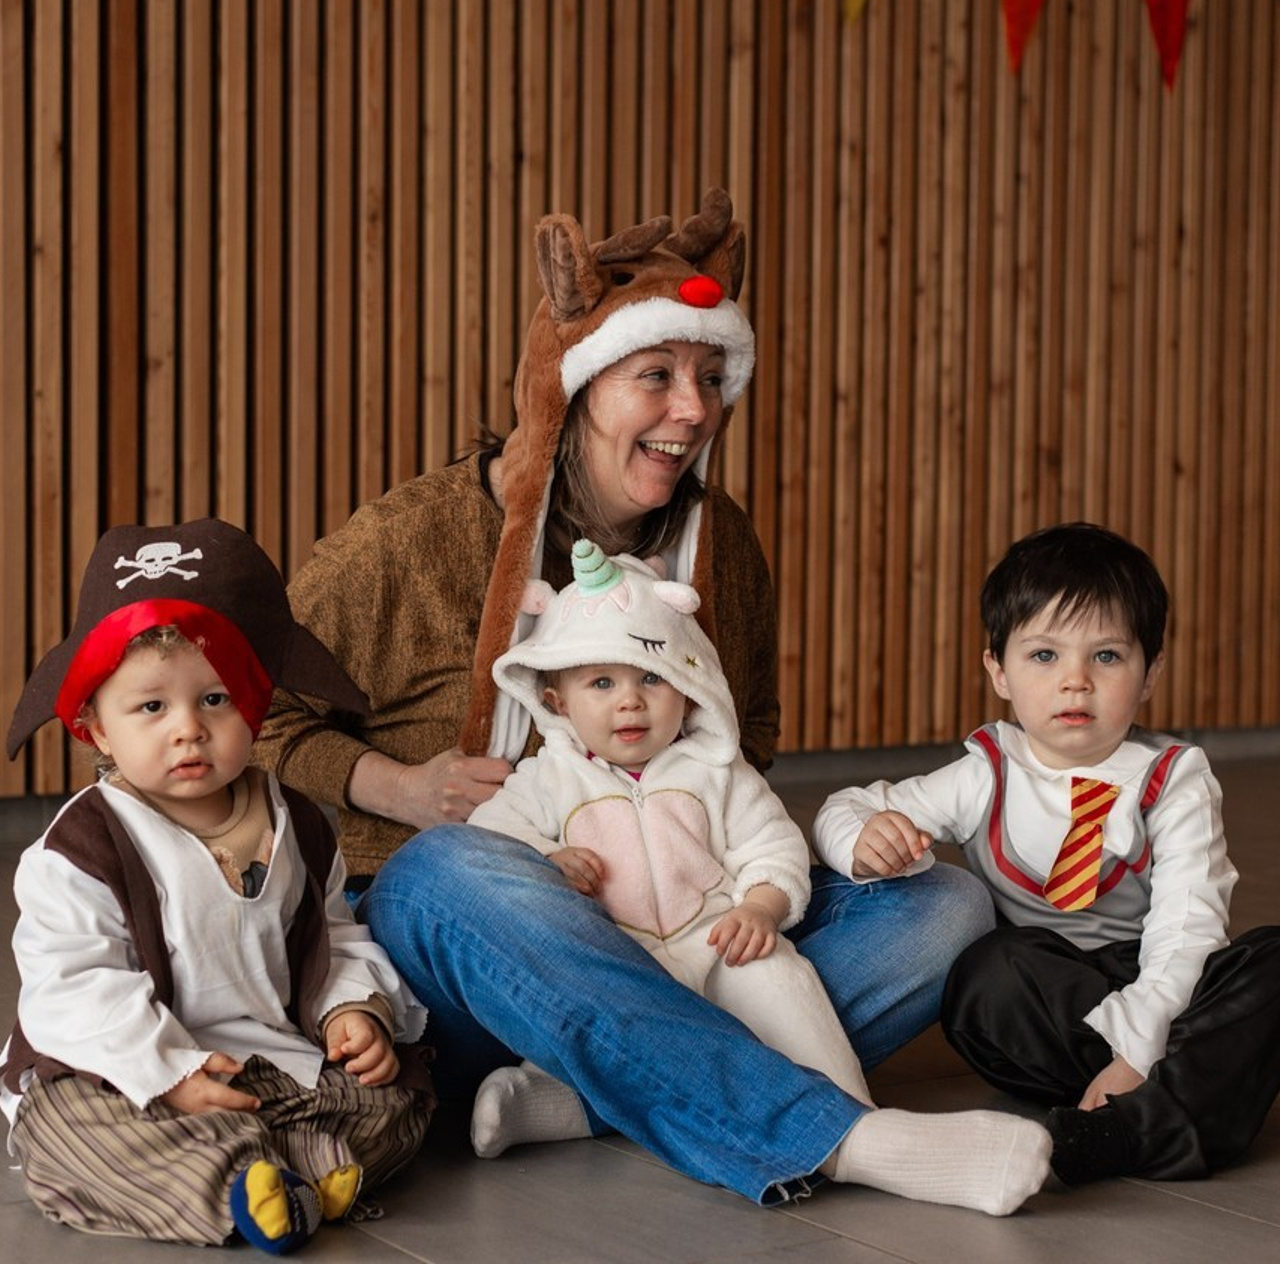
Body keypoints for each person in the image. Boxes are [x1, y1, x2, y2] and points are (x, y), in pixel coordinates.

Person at [257, 189, 1048, 1215]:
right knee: (452, 866)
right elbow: (261, 706)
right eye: (657, 377)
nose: (694, 409)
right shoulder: (404, 541)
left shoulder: (724, 547)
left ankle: (594, 1090)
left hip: (687, 916)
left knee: (942, 906)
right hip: (481, 939)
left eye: (711, 378)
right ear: (578, 384)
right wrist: (396, 786)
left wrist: (717, 861)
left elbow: (748, 731)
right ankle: (840, 1133)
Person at [2, 519, 433, 1255]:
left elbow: (331, 936)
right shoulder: (81, 846)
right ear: (95, 727)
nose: (188, 732)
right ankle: (241, 1180)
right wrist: (170, 1073)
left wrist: (348, 1012)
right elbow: (75, 989)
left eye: (214, 700)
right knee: (67, 1134)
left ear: (258, 704)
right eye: (150, 707)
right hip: (125, 1075)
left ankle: (279, 1166)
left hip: (265, 1065)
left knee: (397, 1100)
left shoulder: (298, 823)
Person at [813, 522, 1280, 1185]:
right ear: (997, 670)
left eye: (1109, 657)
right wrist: (861, 841)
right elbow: (849, 805)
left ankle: (1127, 1129)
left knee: (1271, 963)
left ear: (1151, 674)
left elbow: (1186, 930)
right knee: (986, 973)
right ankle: (1183, 1098)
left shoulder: (1175, 776)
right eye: (1044, 656)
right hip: (1045, 1004)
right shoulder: (987, 772)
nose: (1076, 683)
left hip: (1162, 990)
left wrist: (1139, 1047)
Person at [466, 538, 872, 1155]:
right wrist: (544, 858)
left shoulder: (717, 769)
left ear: (689, 686)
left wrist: (761, 909)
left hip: (716, 949)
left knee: (784, 979)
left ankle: (851, 1115)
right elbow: (487, 843)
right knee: (576, 1032)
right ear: (558, 703)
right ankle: (542, 1105)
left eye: (652, 677)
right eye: (601, 682)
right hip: (616, 972)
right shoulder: (547, 779)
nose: (630, 700)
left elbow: (773, 843)